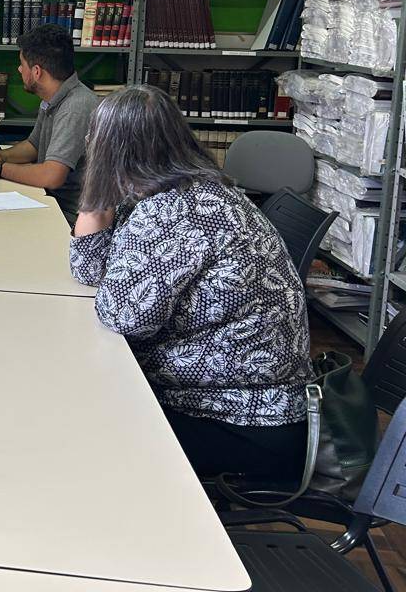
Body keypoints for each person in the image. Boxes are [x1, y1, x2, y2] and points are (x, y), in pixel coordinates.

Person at [69, 85, 313, 480]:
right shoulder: (194, 190)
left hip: (243, 422)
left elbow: (121, 316)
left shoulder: (174, 210)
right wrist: (100, 199)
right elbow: (91, 269)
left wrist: (97, 192)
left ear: (111, 151)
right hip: (248, 406)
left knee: (81, 427)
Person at [0, 23, 97, 224]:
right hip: (51, 201)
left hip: (70, 217)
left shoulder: (75, 108)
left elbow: (52, 176)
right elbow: (33, 146)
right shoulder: (54, 96)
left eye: (22, 64)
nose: (19, 69)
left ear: (36, 72)